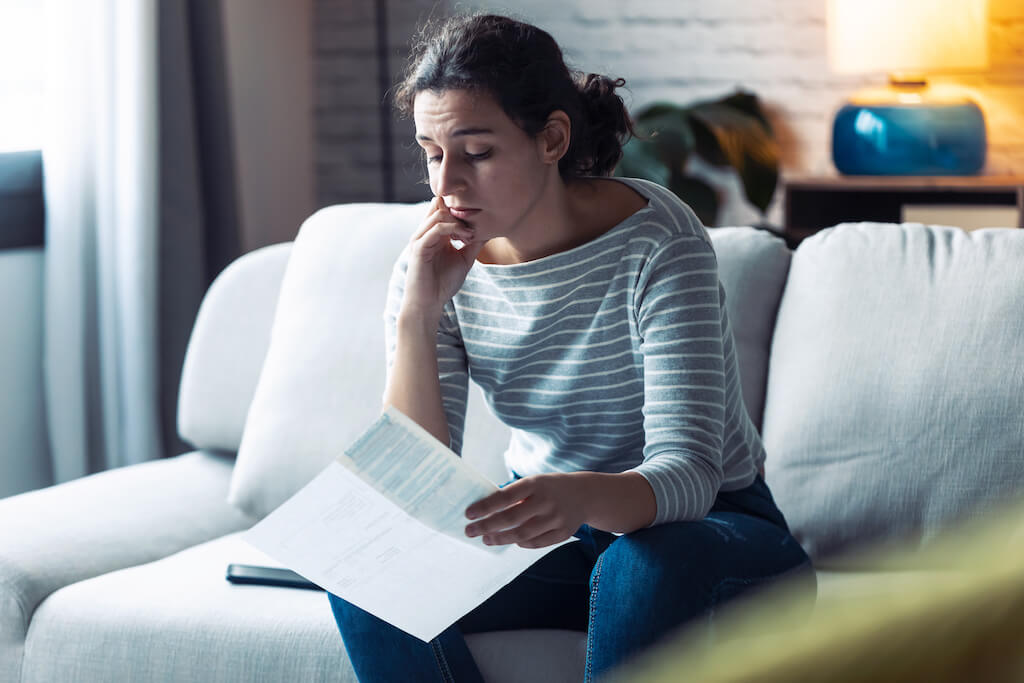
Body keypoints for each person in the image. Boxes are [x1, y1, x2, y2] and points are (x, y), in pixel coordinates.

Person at [327, 12, 814, 683]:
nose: (447, 186)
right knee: (368, 569)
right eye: (433, 153)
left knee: (639, 561)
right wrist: (416, 313)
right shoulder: (435, 258)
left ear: (552, 137)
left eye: (477, 152)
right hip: (555, 530)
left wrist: (580, 497)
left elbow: (694, 475)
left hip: (713, 530)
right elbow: (415, 480)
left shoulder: (657, 240)